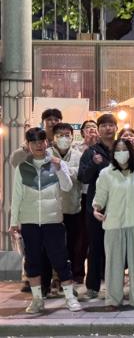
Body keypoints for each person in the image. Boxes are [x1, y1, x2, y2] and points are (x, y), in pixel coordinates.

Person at [9, 127, 82, 314]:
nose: (38, 145)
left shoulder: (56, 163)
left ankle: (70, 298)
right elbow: (16, 197)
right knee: (32, 262)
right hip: (29, 222)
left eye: (41, 141)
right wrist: (13, 223)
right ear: (28, 145)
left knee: (60, 260)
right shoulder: (22, 167)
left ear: (46, 143)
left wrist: (60, 169)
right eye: (33, 142)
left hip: (53, 221)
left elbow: (67, 187)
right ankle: (37, 300)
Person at [92, 138, 134, 310]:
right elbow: (100, 197)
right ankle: (113, 299)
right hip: (113, 222)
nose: (121, 153)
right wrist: (96, 209)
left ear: (131, 152)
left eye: (124, 149)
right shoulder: (106, 173)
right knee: (113, 263)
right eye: (118, 150)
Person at [78, 113, 118, 300]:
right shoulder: (91, 152)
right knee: (95, 246)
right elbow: (83, 177)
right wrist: (94, 165)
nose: (107, 128)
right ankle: (92, 287)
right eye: (104, 125)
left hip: (119, 205)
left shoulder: (122, 149)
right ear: (99, 129)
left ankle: (114, 286)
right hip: (96, 207)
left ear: (116, 128)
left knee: (116, 248)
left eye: (111, 125)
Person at [50, 123, 86, 286]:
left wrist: (61, 167)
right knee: (54, 246)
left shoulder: (79, 155)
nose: (63, 138)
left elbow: (80, 174)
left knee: (73, 245)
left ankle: (71, 278)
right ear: (53, 138)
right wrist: (67, 171)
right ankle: (55, 278)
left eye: (67, 135)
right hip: (51, 210)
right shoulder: (47, 154)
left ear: (72, 137)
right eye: (60, 135)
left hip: (73, 207)